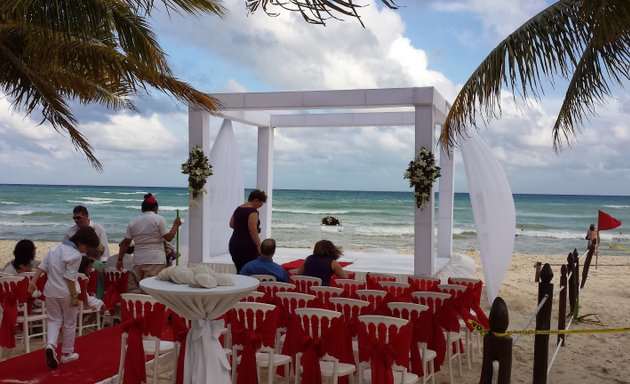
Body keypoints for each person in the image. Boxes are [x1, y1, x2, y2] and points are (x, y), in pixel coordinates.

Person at [27, 227, 101, 369]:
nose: (86, 251)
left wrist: (33, 282)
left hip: (50, 291)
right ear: (82, 243)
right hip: (67, 292)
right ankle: (67, 354)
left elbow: (42, 266)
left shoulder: (54, 249)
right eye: (87, 247)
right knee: (69, 323)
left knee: (54, 320)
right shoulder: (75, 255)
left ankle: (50, 345)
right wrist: (74, 296)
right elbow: (70, 277)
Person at [117, 193, 182, 292]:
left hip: (138, 261)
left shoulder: (133, 221)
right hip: (155, 260)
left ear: (142, 209)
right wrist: (175, 225)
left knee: (138, 291)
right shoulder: (159, 219)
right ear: (155, 208)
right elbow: (168, 237)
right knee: (151, 291)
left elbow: (126, 242)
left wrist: (120, 259)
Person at [229, 189, 267, 273]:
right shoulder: (253, 212)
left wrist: (241, 227)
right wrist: (259, 246)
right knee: (249, 271)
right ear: (256, 200)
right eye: (261, 203)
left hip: (234, 243)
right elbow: (252, 230)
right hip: (246, 245)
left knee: (240, 270)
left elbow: (231, 224)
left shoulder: (238, 208)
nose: (261, 206)